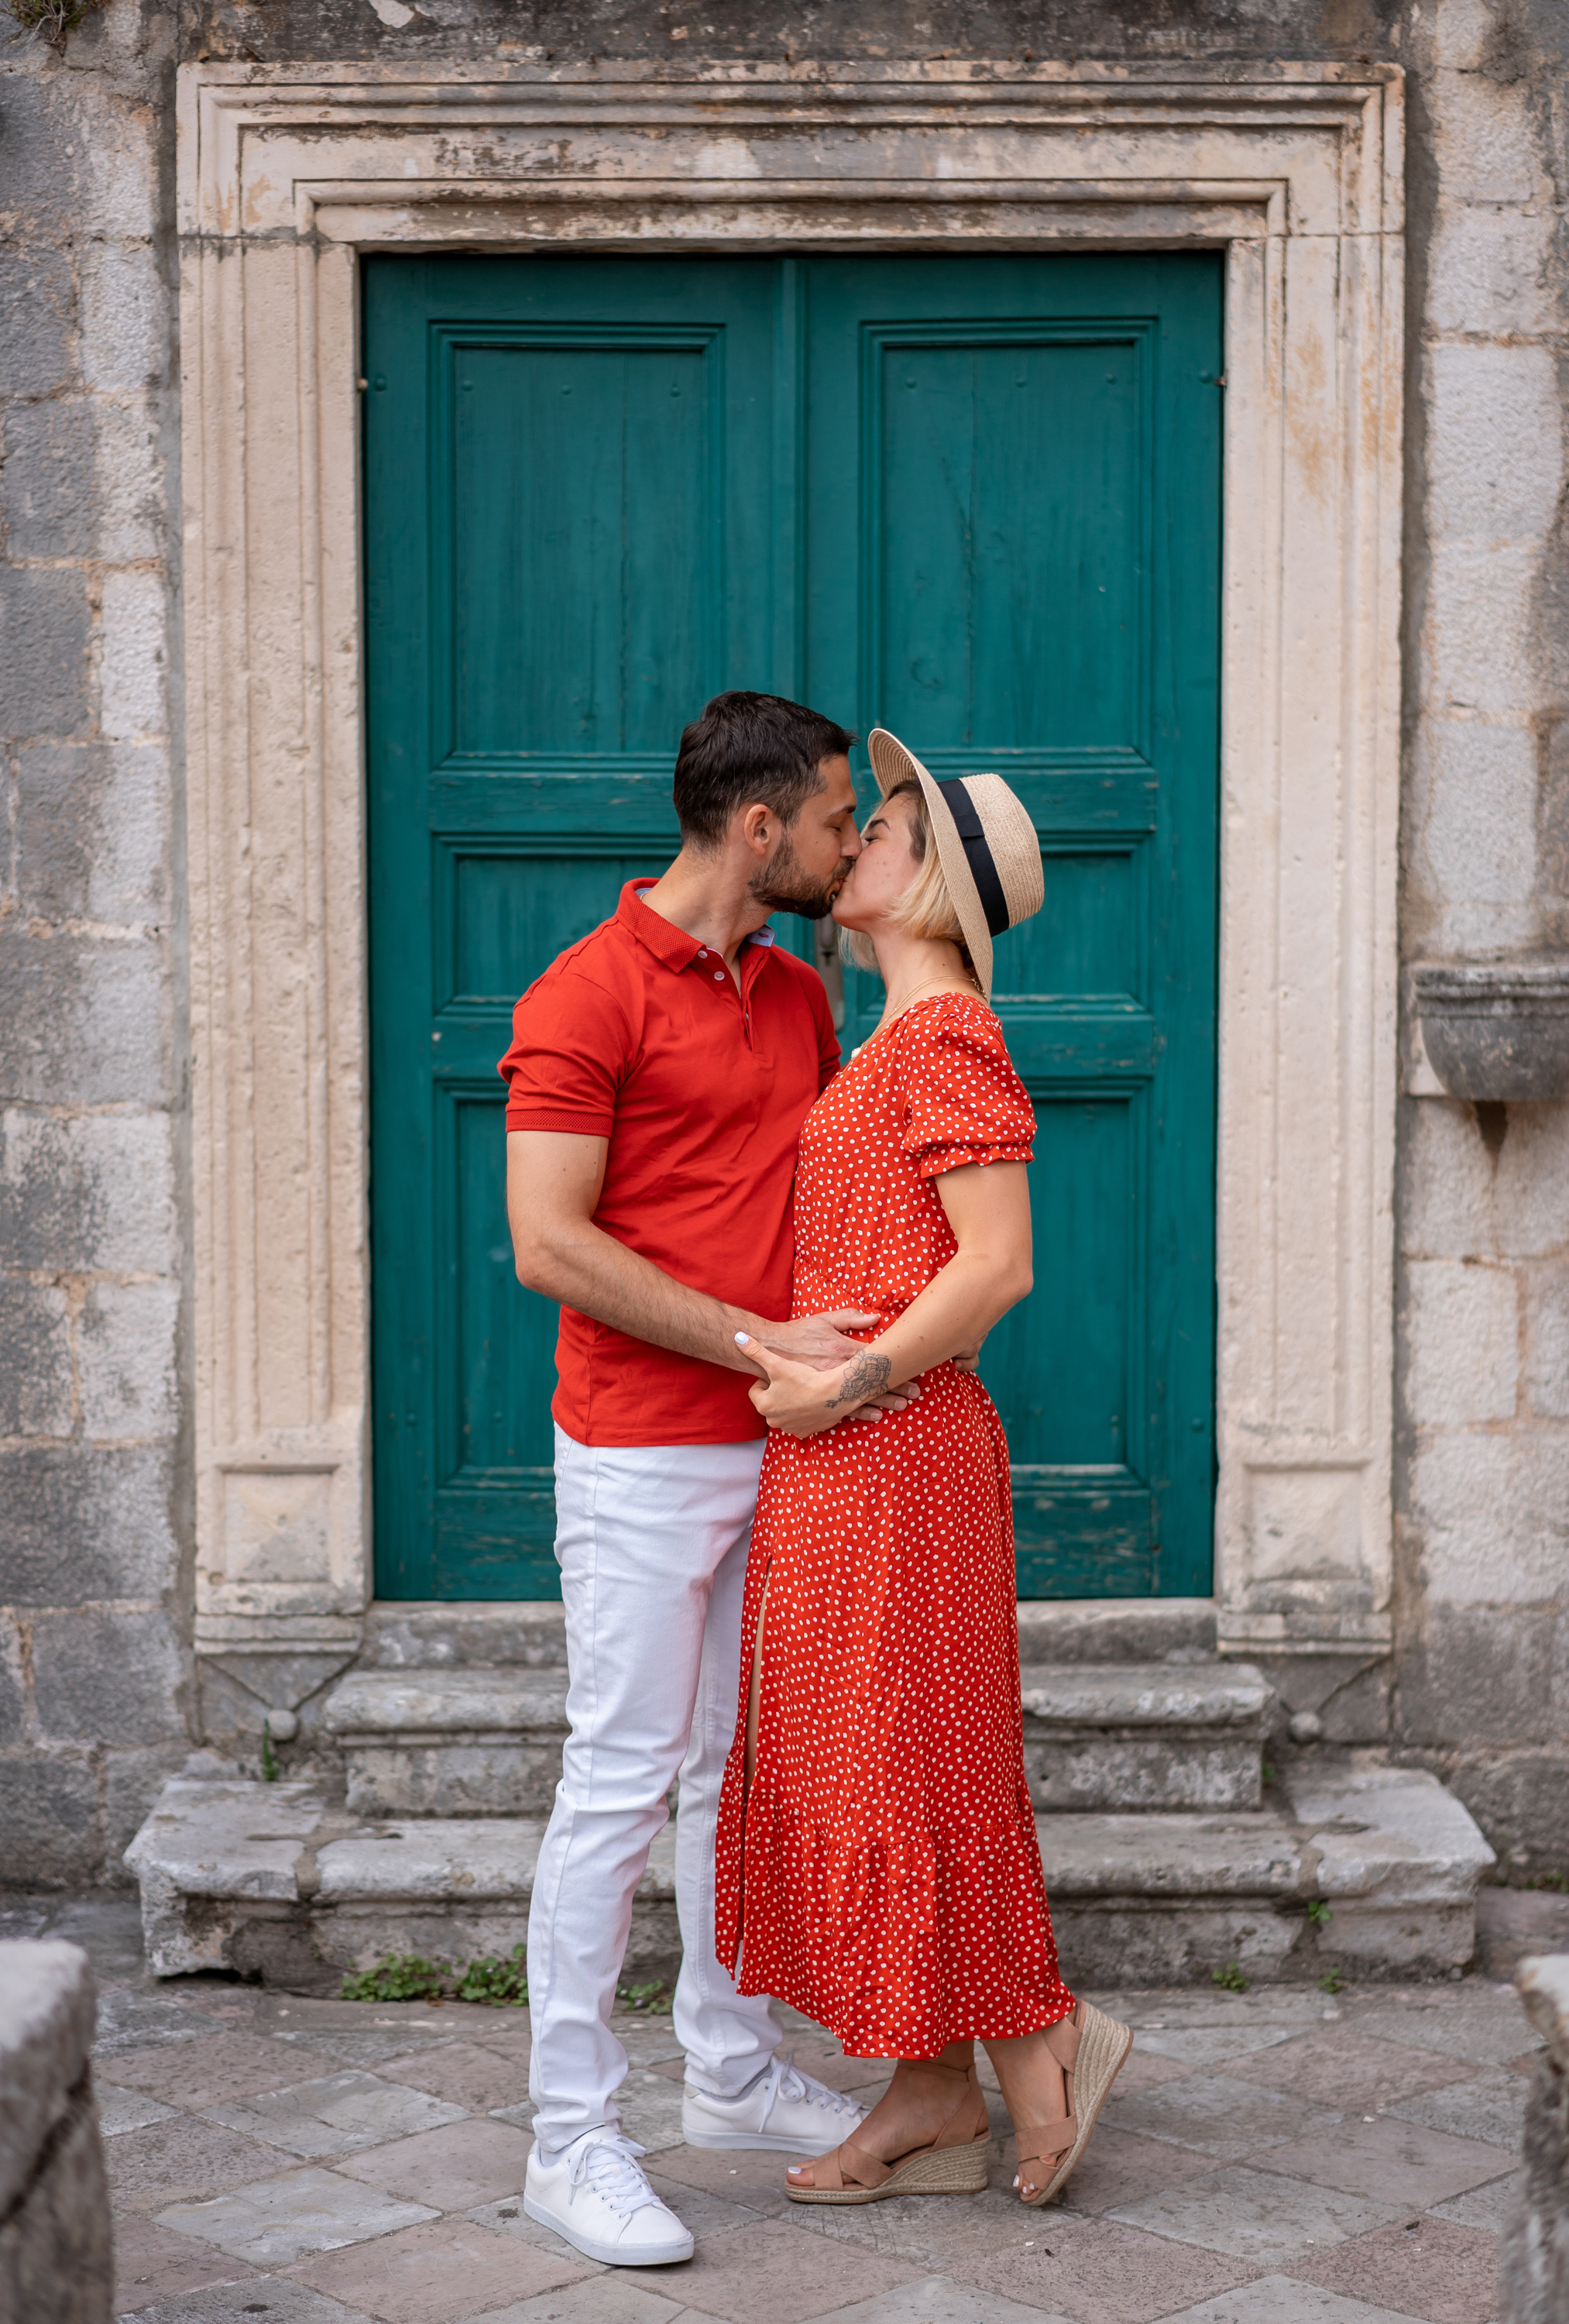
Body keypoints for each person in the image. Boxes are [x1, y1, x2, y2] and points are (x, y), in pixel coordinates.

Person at [500, 693, 923, 2270]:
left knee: (725, 1776)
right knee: (617, 1779)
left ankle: (729, 2071)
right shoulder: (582, 996)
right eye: (830, 819)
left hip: (783, 1444)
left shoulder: (795, 997)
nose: (845, 841)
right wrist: (760, 1337)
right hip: (637, 1452)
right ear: (758, 829)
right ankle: (568, 2138)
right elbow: (552, 1245)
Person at [714, 728, 1134, 2209]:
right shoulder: (888, 1037)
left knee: (915, 1768)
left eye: (879, 831)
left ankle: (1032, 2058)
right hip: (846, 1460)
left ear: (929, 886)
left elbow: (1000, 1267)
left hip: (893, 1451)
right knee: (875, 1763)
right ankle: (932, 2083)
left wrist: (848, 1383)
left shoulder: (947, 1036)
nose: (852, 846)